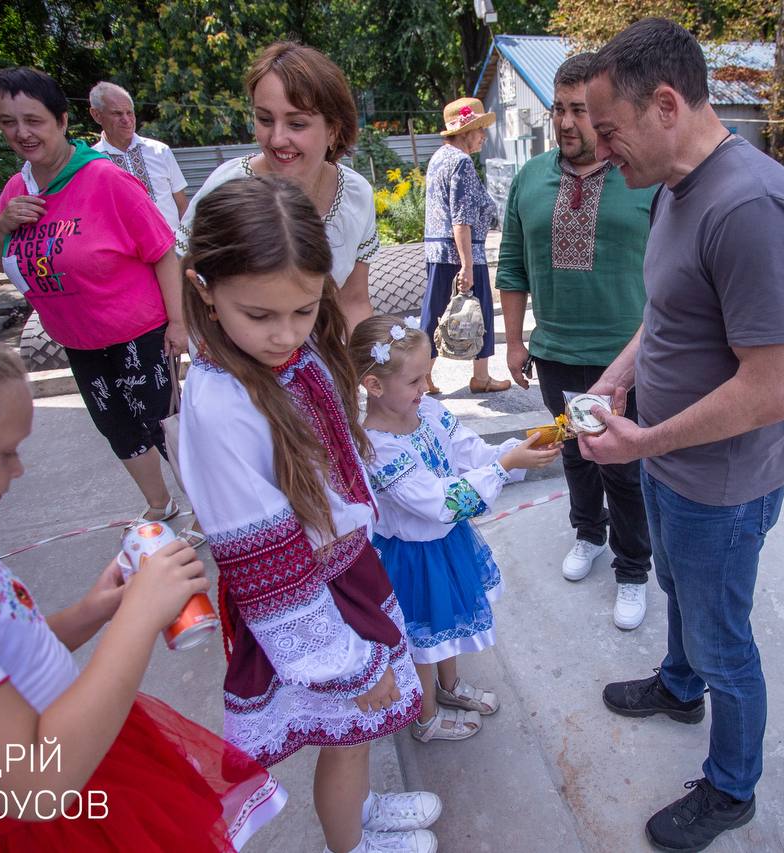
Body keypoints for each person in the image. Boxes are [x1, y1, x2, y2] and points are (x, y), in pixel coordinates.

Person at [0, 309, 284, 851]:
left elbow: (7, 657)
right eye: (4, 453)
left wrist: (95, 611)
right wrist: (142, 618)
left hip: (85, 760)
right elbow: (33, 783)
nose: (19, 470)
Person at [578, 19, 784, 852]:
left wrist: (643, 442)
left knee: (726, 638)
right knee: (681, 591)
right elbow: (669, 314)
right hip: (670, 461)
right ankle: (678, 687)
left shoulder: (752, 205)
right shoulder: (678, 190)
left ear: (668, 106)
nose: (602, 149)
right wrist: (619, 378)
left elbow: (773, 387)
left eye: (609, 130)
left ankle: (731, 786)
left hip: (722, 484)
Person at [176, 177, 440, 853]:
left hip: (340, 569)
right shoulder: (219, 406)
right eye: (259, 315)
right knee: (348, 731)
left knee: (358, 732)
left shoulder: (297, 355)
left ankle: (360, 810)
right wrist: (349, 663)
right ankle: (351, 843)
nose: (285, 333)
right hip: (306, 602)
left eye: (303, 308)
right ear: (204, 288)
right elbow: (268, 574)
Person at [0, 67, 198, 541]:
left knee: (163, 424)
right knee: (115, 425)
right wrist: (2, 227)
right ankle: (159, 503)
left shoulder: (104, 179)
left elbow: (162, 251)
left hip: (139, 332)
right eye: (8, 122)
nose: (22, 133)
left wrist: (178, 323)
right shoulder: (18, 189)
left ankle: (206, 507)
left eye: (33, 120)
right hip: (77, 339)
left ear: (61, 120)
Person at [497, 52, 655, 630]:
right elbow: (512, 265)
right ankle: (589, 534)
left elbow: (671, 277)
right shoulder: (529, 180)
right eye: (559, 109)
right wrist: (514, 342)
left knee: (624, 463)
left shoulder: (641, 178)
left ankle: (633, 567)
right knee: (574, 453)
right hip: (556, 352)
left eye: (580, 111)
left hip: (629, 355)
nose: (566, 123)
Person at [350, 316, 559, 743]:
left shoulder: (427, 410)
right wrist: (506, 466)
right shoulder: (378, 448)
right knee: (424, 640)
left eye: (427, 374)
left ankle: (450, 686)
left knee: (448, 623)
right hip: (413, 559)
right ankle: (425, 718)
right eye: (414, 380)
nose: (425, 386)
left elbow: (471, 453)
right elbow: (439, 504)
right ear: (373, 385)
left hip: (446, 545)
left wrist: (514, 453)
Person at [178, 42, 376, 331]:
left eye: (296, 124)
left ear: (333, 129)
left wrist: (356, 369)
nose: (277, 139)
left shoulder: (355, 196)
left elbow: (354, 302)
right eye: (265, 119)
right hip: (238, 367)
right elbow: (189, 288)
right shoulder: (227, 186)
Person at [420, 97, 508, 395]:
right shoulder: (461, 162)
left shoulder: (438, 158)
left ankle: (422, 376)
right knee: (479, 311)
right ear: (465, 131)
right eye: (479, 128)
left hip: (437, 251)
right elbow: (461, 217)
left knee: (433, 313)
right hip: (463, 252)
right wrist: (467, 265)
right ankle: (480, 378)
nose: (484, 135)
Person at [90, 81, 190, 232]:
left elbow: (183, 207)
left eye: (129, 112)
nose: (126, 120)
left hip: (173, 249)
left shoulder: (160, 151)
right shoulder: (91, 163)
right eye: (117, 113)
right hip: (125, 253)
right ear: (96, 115)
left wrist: (184, 249)